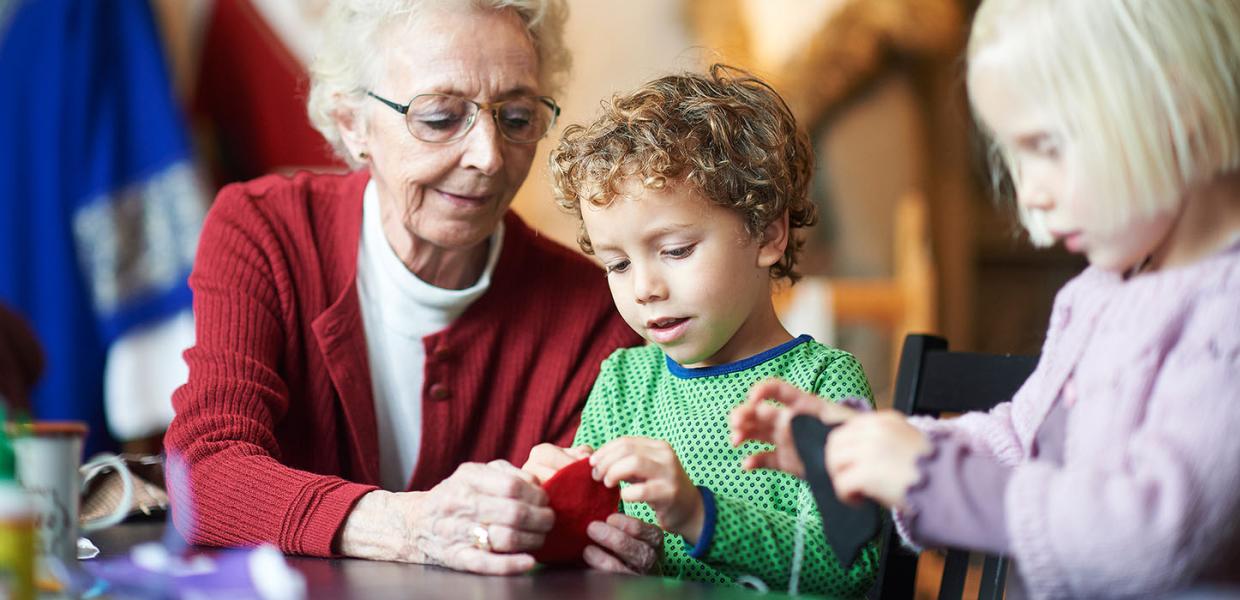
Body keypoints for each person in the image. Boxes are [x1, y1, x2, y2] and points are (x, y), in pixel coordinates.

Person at [730, 0, 1240, 597]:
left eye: (1047, 146)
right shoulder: (1099, 294)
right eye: (1013, 157)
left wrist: (928, 478)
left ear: (1175, 108)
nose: (1030, 195)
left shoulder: (1223, 312)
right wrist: (878, 450)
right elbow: (1016, 443)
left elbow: (1150, 535)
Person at [164, 0, 652, 575]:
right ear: (352, 123)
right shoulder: (266, 232)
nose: (489, 157)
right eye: (441, 116)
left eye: (517, 118)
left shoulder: (594, 311)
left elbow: (584, 543)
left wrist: (626, 543)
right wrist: (407, 525)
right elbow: (206, 470)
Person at [525, 65, 879, 596]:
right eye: (617, 264)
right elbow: (597, 550)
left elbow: (849, 565)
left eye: (675, 251)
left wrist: (698, 515)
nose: (644, 287)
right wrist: (551, 509)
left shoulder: (822, 385)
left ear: (768, 233)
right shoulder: (622, 383)